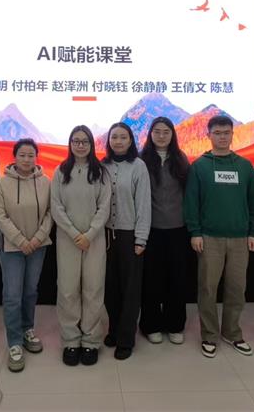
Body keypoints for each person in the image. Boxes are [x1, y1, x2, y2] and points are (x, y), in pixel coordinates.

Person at [183, 114, 254, 358]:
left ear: (232, 135)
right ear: (208, 135)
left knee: (237, 288)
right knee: (208, 288)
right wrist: (195, 232)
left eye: (226, 132)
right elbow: (191, 202)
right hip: (209, 238)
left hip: (240, 238)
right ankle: (209, 335)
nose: (222, 137)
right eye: (217, 133)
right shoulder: (199, 166)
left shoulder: (244, 166)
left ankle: (232, 332)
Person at [51, 125, 111, 367]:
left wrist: (90, 233)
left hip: (94, 240)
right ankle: (71, 340)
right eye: (75, 141)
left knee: (93, 289)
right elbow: (56, 206)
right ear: (70, 144)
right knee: (67, 290)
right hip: (68, 239)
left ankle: (91, 341)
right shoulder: (60, 171)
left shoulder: (101, 172)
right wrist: (75, 233)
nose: (80, 145)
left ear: (91, 144)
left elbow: (104, 207)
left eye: (84, 141)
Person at [0, 138, 53, 372]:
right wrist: (20, 240)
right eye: (22, 155)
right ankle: (15, 343)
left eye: (31, 155)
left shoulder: (46, 182)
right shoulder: (2, 183)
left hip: (38, 246)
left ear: (36, 157)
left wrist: (37, 239)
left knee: (30, 291)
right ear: (14, 157)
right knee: (12, 296)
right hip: (11, 248)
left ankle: (28, 329)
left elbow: (50, 213)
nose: (27, 159)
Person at [139, 117, 190, 346]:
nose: (161, 136)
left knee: (177, 279)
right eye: (157, 131)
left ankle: (175, 325)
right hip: (151, 229)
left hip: (178, 228)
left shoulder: (181, 159)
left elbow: (188, 192)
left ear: (172, 135)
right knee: (151, 280)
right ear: (150, 134)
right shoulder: (141, 160)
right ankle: (151, 325)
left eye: (166, 132)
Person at [102, 122, 151, 360]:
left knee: (130, 289)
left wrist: (141, 238)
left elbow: (143, 204)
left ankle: (126, 338)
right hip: (105, 235)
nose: (118, 141)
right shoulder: (102, 166)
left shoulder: (138, 166)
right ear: (108, 141)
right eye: (114, 137)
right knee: (110, 287)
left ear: (131, 140)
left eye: (123, 137)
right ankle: (113, 329)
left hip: (129, 235)